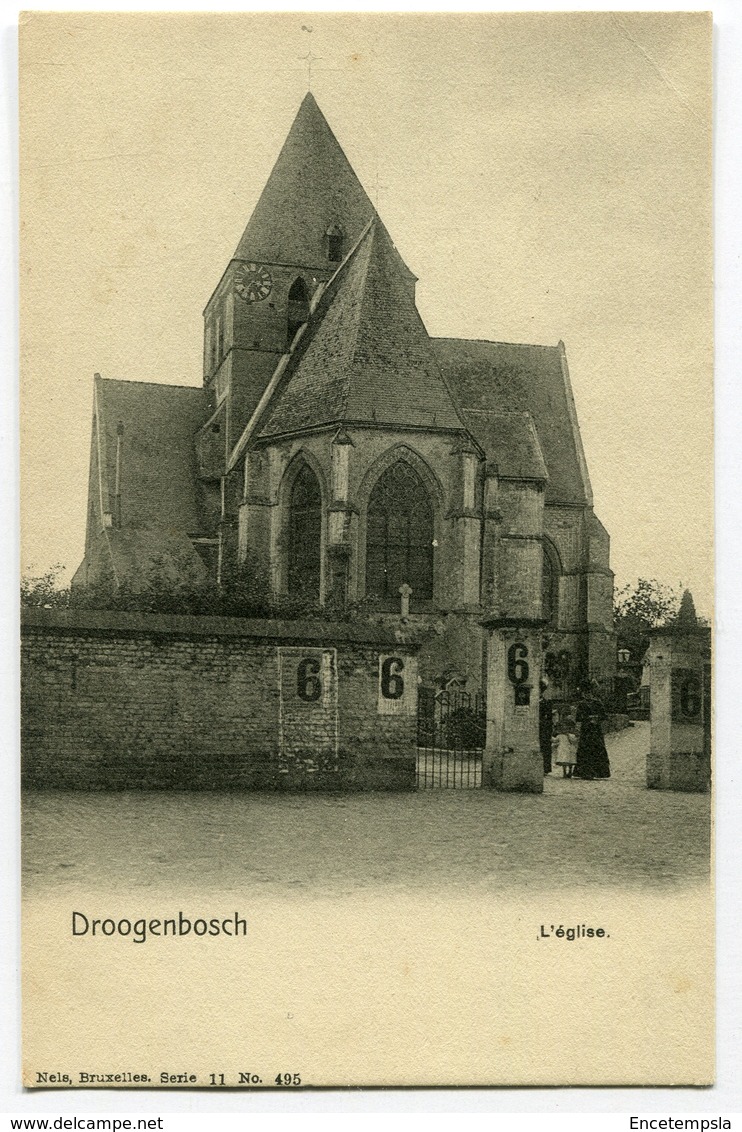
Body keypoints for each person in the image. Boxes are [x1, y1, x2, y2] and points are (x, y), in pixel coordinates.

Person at [572, 681, 611, 780]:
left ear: (592, 693)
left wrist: (597, 718)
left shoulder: (598, 703)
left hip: (596, 730)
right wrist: (587, 719)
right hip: (586, 730)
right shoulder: (581, 704)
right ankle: (585, 772)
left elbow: (604, 716)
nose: (587, 695)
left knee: (597, 749)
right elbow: (578, 718)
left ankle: (599, 772)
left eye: (589, 693)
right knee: (585, 750)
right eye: (585, 693)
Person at [553, 712, 578, 778]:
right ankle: (569, 771)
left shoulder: (560, 735)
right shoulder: (571, 734)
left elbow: (555, 740)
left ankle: (565, 772)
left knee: (564, 761)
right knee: (570, 761)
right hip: (570, 748)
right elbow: (575, 741)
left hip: (563, 749)